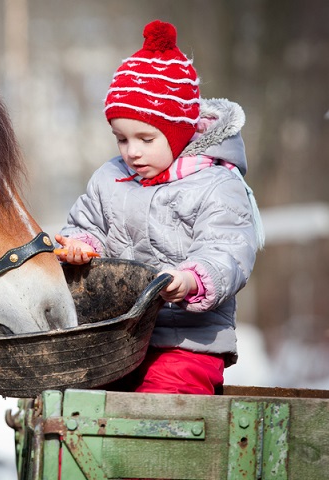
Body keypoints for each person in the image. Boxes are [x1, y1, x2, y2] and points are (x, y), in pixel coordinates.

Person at [55, 19, 264, 395]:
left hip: (187, 343)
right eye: (121, 138)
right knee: (81, 400)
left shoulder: (218, 185)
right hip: (117, 339)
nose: (132, 151)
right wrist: (80, 245)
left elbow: (228, 250)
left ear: (179, 133)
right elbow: (87, 223)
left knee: (161, 406)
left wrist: (190, 280)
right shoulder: (110, 178)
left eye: (146, 138)